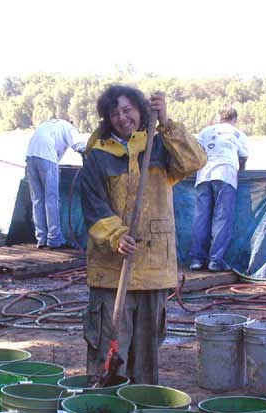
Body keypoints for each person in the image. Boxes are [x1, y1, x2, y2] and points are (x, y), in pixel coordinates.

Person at [80, 85, 207, 384]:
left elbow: (196, 160)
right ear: (107, 119)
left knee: (146, 357)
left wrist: (166, 122)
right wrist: (116, 236)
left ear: (140, 110)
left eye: (127, 110)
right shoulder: (98, 156)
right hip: (112, 271)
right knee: (108, 351)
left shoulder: (161, 146)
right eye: (114, 113)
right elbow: (93, 205)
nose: (122, 118)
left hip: (154, 269)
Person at [189, 105, 249, 272]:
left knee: (200, 217)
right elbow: (243, 157)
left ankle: (196, 259)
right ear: (234, 119)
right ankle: (215, 260)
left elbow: (196, 151)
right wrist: (240, 172)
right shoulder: (238, 134)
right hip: (225, 174)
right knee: (222, 218)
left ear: (218, 117)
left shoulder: (206, 131)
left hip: (203, 174)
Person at [25, 118, 85, 249]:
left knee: (37, 200)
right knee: (51, 199)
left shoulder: (50, 124)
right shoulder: (69, 127)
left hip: (30, 156)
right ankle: (54, 239)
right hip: (47, 158)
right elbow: (80, 145)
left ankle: (41, 238)